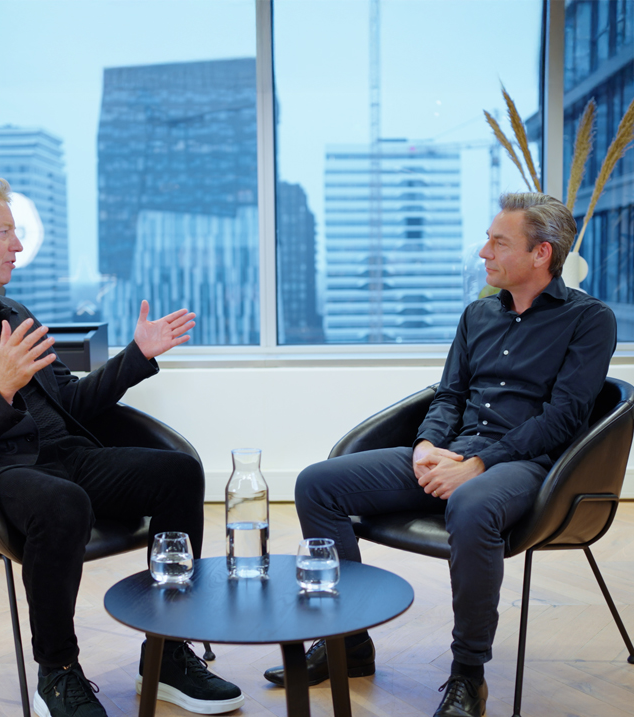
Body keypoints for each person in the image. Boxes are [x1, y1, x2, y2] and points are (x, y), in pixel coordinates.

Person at [0, 175, 244, 717]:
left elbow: (69, 403)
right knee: (61, 501)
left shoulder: (13, 314)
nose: (18, 245)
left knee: (179, 473)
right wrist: (0, 388)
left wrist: (134, 356)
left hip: (67, 457)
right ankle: (57, 672)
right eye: (4, 232)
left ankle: (167, 653)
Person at [263, 193, 617, 717]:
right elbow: (448, 395)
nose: (484, 252)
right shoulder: (478, 314)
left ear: (542, 253)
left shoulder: (589, 320)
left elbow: (563, 420)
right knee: (318, 483)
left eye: (499, 242)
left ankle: (467, 677)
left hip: (529, 465)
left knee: (473, 505)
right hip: (454, 451)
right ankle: (348, 645)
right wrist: (428, 445)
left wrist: (478, 464)